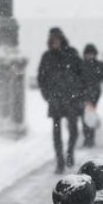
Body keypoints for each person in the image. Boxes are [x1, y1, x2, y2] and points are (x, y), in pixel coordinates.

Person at [37, 27, 85, 174]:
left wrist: (79, 92)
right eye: (53, 40)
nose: (55, 42)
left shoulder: (72, 53)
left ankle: (70, 152)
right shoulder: (47, 57)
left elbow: (81, 73)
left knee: (74, 129)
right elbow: (41, 78)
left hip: (71, 98)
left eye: (57, 39)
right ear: (50, 41)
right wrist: (47, 95)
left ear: (61, 39)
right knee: (56, 132)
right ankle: (60, 161)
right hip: (56, 99)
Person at [79, 43, 103, 148]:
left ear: (95, 54)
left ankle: (90, 138)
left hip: (94, 94)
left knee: (90, 114)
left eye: (91, 54)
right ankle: (88, 136)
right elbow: (75, 80)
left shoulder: (100, 65)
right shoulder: (81, 65)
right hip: (83, 93)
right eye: (88, 54)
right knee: (85, 115)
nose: (90, 56)